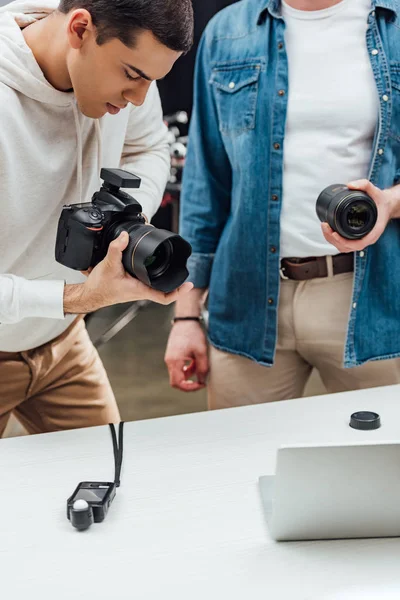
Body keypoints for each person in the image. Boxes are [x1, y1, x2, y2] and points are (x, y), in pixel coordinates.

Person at [165, 0, 400, 410]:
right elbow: (206, 184)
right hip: (247, 296)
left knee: (380, 463)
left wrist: (390, 202)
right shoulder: (227, 32)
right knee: (242, 463)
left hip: (372, 299)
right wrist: (186, 316)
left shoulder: (393, 25)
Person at [0, 0, 194, 436]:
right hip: (50, 317)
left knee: (109, 481)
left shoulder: (130, 71)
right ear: (80, 28)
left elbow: (149, 145)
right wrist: (77, 298)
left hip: (63, 342)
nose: (139, 99)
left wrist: (128, 221)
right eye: (132, 75)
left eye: (153, 80)